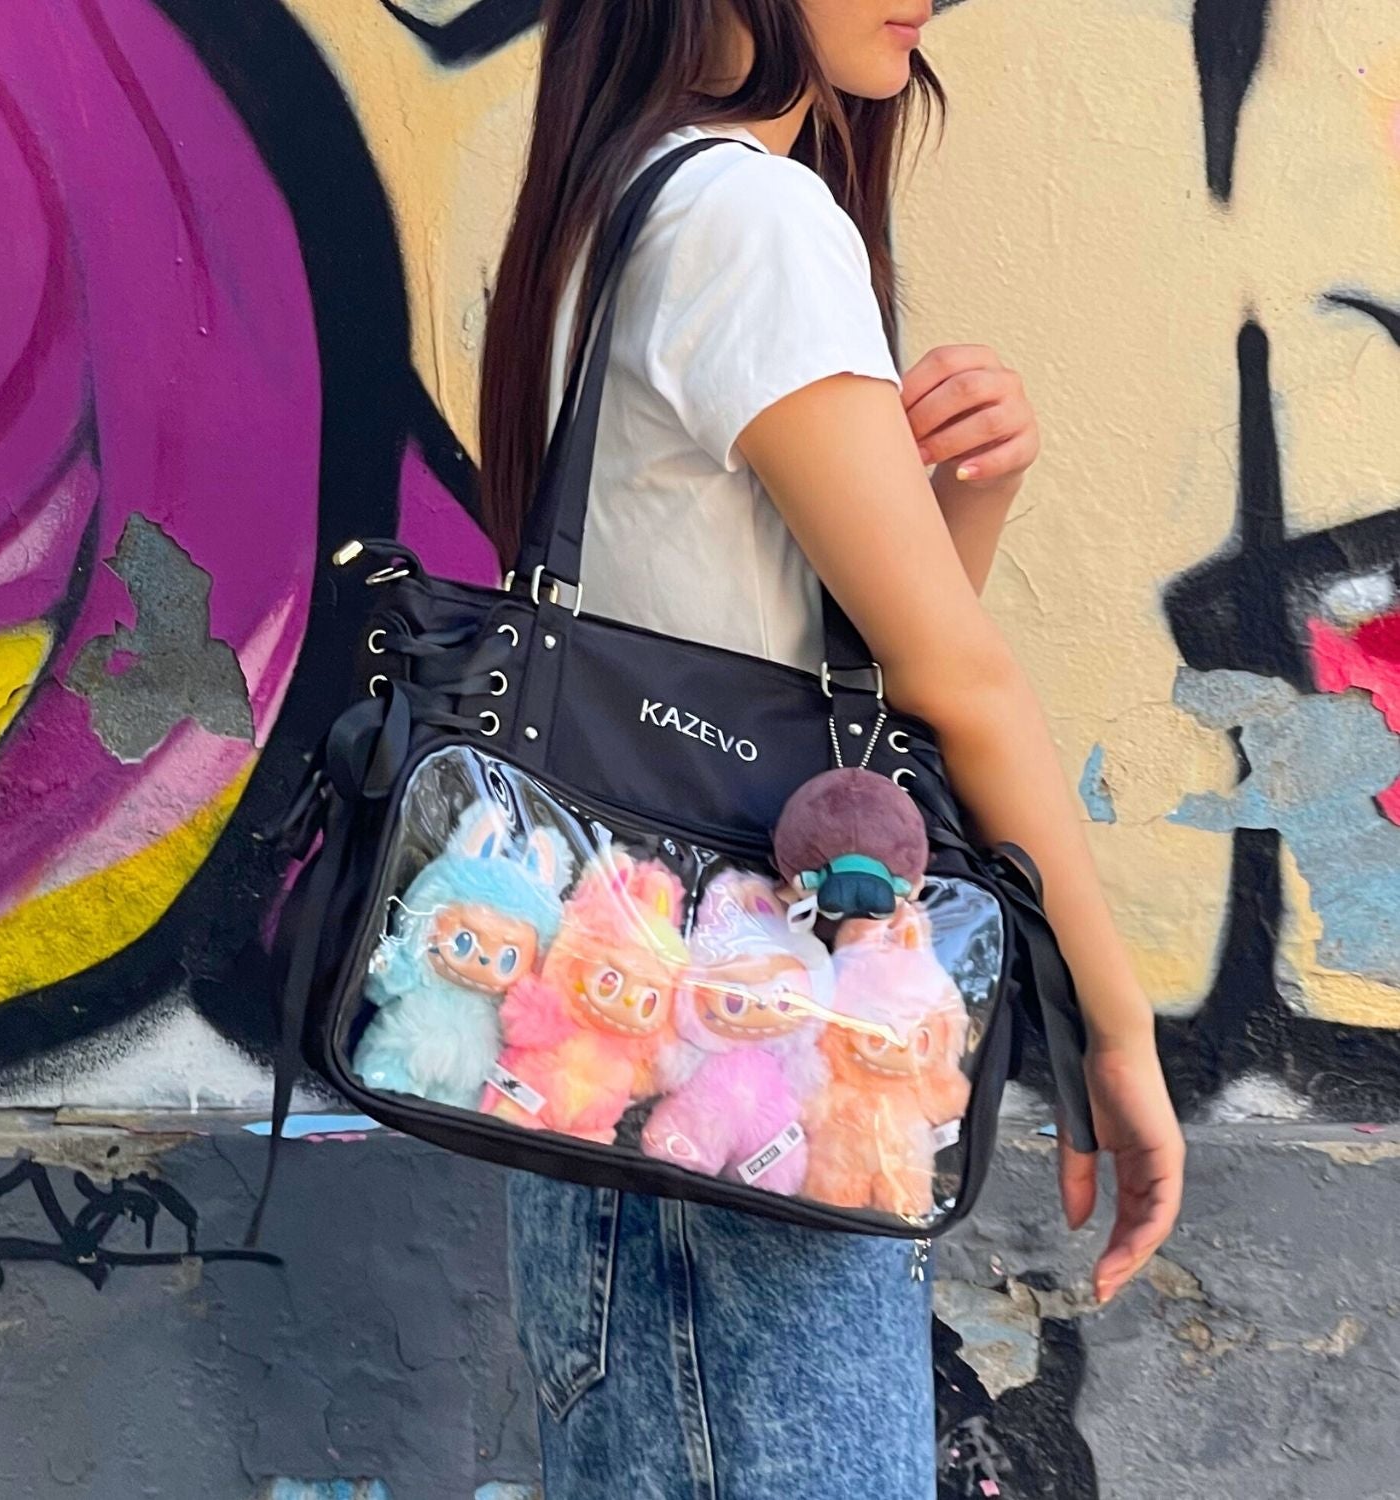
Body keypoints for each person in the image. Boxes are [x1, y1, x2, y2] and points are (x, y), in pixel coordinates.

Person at [477, 3, 1186, 1495]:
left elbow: (817, 739)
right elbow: (964, 689)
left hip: (639, 1084)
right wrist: (1112, 1037)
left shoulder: (611, 213)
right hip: (749, 1113)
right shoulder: (753, 217)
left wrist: (957, 507)